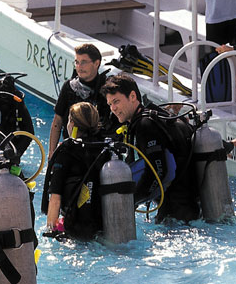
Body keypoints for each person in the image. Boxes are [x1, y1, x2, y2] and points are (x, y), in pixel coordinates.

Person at [101, 73, 200, 223]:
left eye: (116, 102)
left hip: (177, 212)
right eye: (110, 104)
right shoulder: (159, 117)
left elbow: (158, 172)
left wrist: (130, 201)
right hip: (194, 204)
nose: (113, 109)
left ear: (133, 96)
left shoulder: (145, 126)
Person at [42, 102, 107, 240]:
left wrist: (50, 230)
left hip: (75, 230)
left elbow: (55, 198)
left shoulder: (66, 151)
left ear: (72, 123)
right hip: (104, 228)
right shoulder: (105, 149)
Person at [48, 43, 113, 158]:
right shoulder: (69, 87)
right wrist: (51, 155)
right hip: (71, 149)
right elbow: (57, 122)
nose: (79, 66)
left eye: (83, 62)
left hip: (97, 150)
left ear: (96, 63)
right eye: (77, 62)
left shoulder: (106, 89)